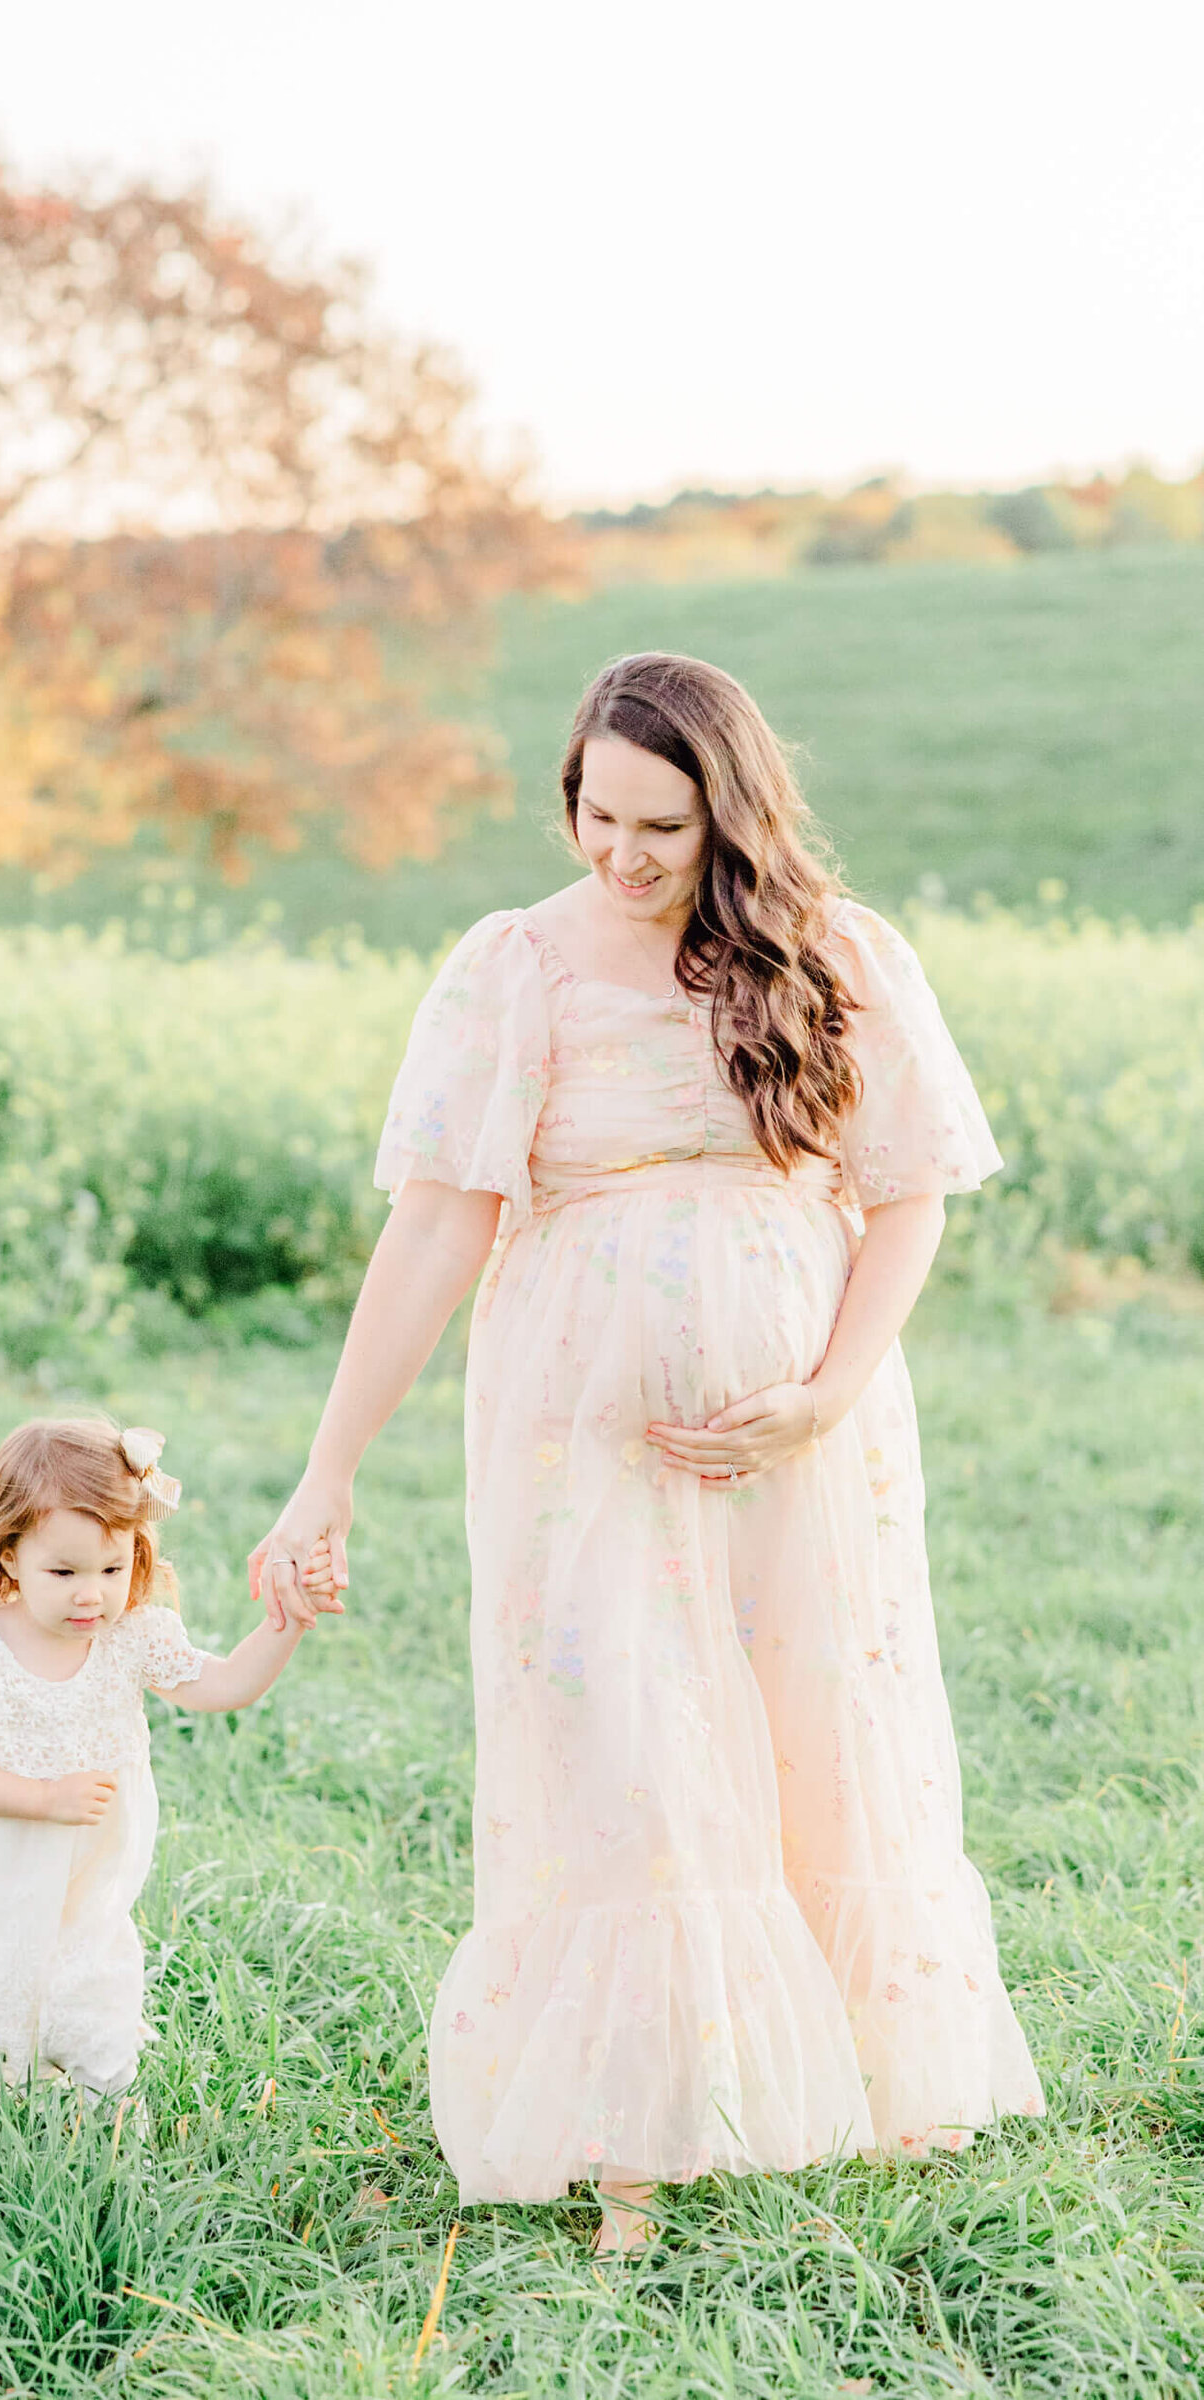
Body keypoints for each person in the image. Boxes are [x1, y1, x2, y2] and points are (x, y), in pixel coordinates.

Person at [250, 652, 1044, 2253]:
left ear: (729, 816)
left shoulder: (836, 953)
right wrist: (327, 1467)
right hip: (575, 1427)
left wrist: (826, 1389)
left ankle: (878, 2075)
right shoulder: (516, 967)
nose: (617, 854)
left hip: (809, 1424)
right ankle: (637, 2134)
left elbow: (905, 1196)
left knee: (822, 1708)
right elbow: (435, 1227)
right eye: (593, 814)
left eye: (659, 827)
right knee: (620, 1728)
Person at [0, 1414, 338, 2099]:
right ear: (9, 1558)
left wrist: (286, 1622)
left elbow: (225, 1684)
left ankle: (106, 2115)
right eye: (64, 1571)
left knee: (92, 1991)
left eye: (113, 1568)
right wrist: (44, 1798)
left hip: (86, 1876)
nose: (92, 1593)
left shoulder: (129, 1637)